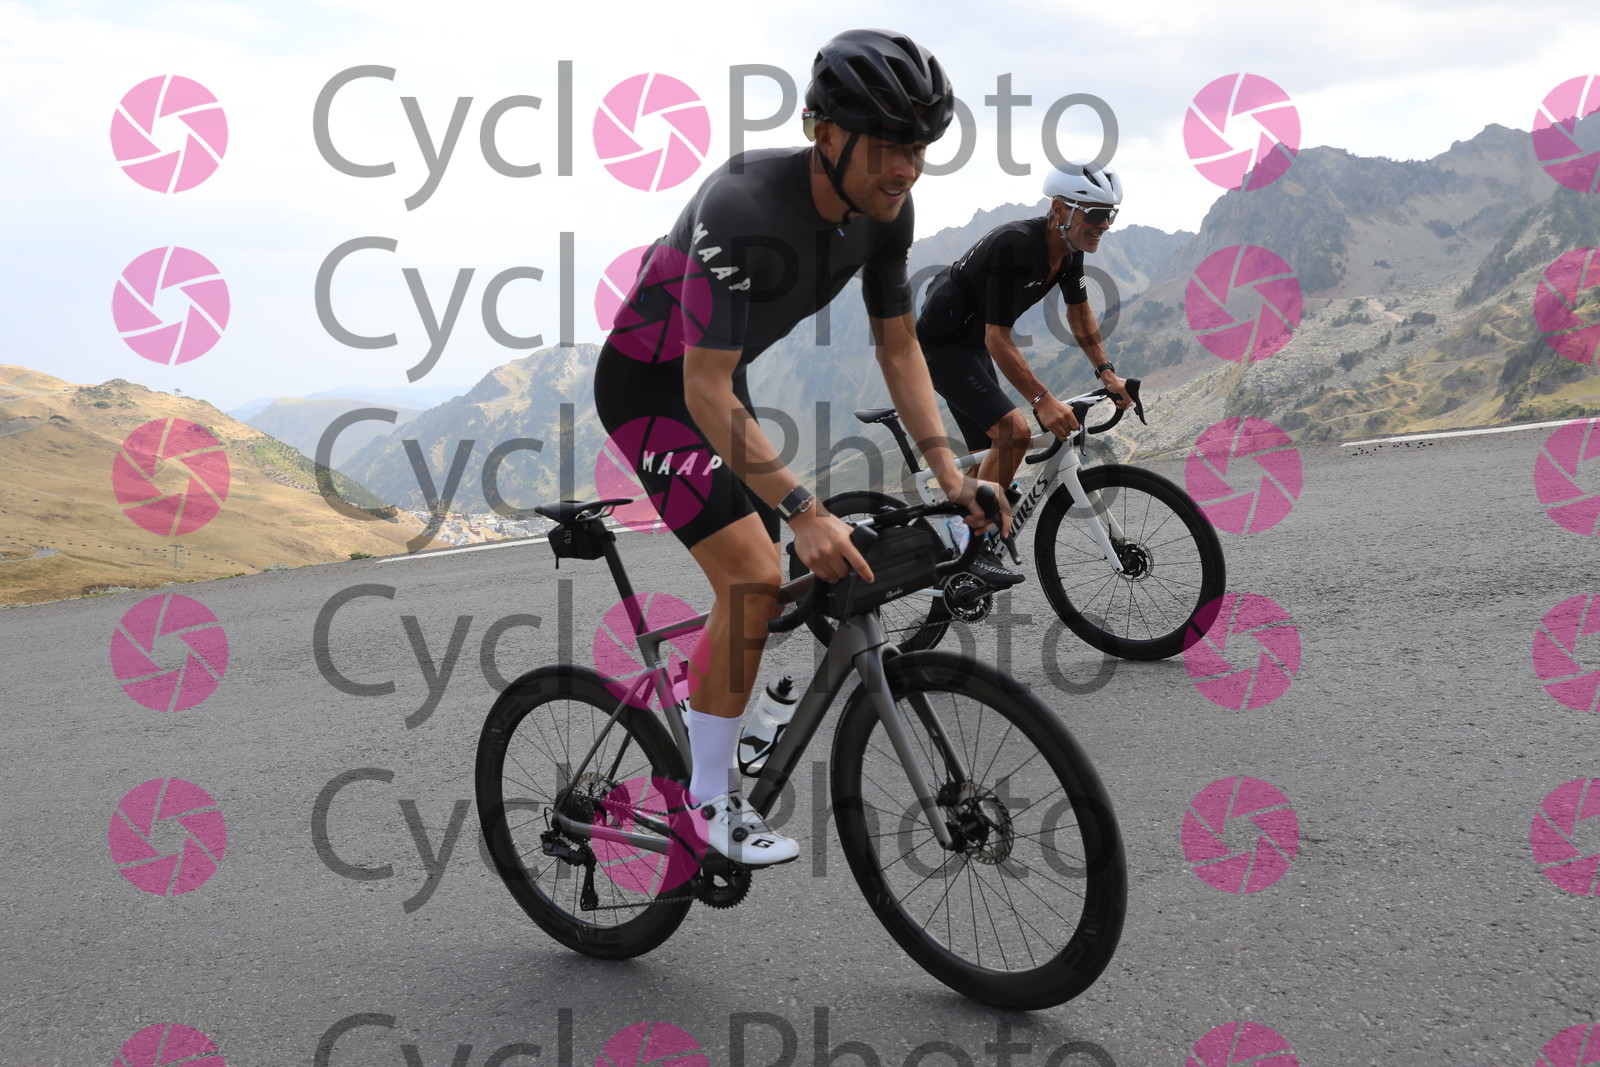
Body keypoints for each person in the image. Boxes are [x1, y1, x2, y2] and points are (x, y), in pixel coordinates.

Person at [591, 29, 1009, 867]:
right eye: (889, 146)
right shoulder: (742, 206)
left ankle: (721, 692)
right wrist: (803, 508)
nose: (908, 168)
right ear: (826, 133)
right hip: (656, 390)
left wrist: (950, 472)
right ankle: (705, 801)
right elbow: (700, 388)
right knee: (754, 573)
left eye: (920, 148)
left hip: (719, 379)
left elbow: (898, 344)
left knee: (778, 583)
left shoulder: (887, 211)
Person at [916, 163, 1134, 585]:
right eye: (1095, 214)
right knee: (1013, 433)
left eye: (1111, 214)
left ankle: (953, 578)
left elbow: (1079, 313)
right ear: (1060, 209)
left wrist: (1107, 374)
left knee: (993, 465)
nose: (1105, 225)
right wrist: (1042, 401)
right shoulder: (1016, 245)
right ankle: (969, 550)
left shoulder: (1069, 248)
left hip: (971, 345)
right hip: (939, 346)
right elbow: (998, 338)